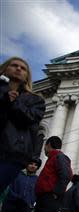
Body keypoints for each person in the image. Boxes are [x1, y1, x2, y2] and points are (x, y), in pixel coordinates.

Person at [0, 57, 45, 193]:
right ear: (4, 69)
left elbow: (29, 119)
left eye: (23, 68)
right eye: (14, 65)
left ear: (27, 76)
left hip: (11, 154)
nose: (18, 69)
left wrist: (13, 101)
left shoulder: (35, 99)